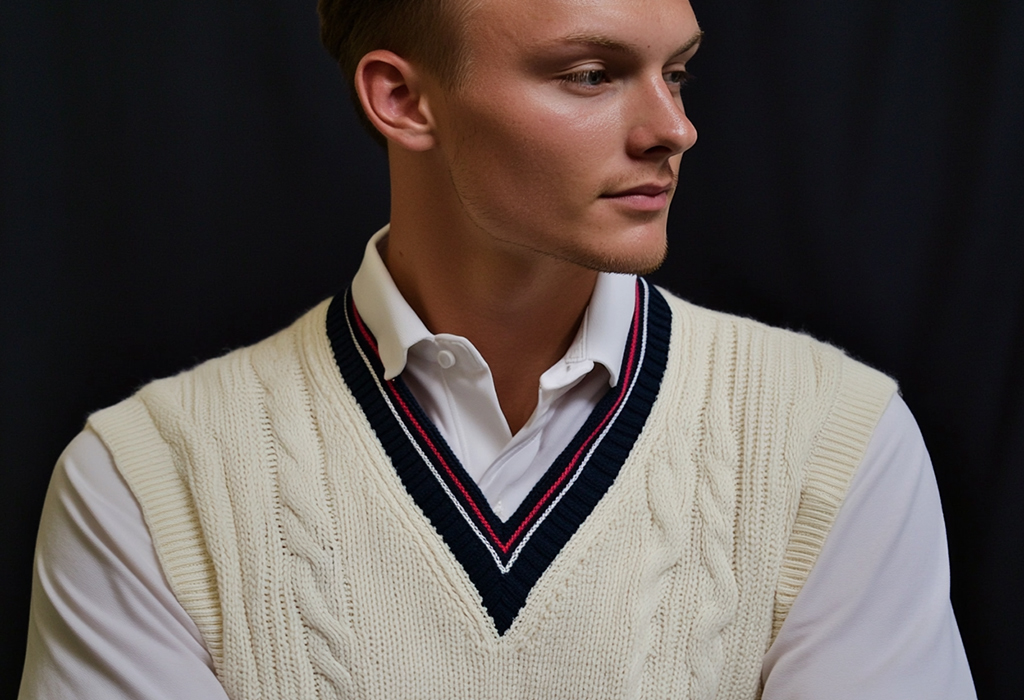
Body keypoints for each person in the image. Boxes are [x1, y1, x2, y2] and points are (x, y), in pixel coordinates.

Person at [19, 0, 977, 697]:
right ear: (403, 99)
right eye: (592, 74)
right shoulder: (148, 481)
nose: (673, 129)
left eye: (675, 71)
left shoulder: (831, 440)